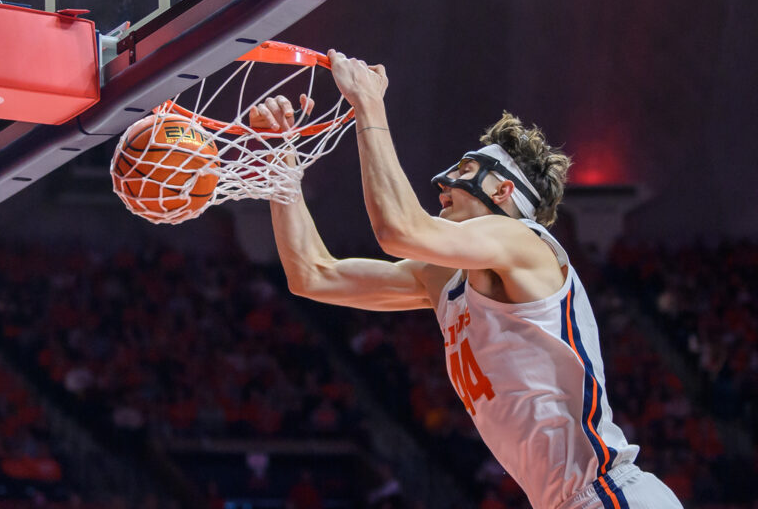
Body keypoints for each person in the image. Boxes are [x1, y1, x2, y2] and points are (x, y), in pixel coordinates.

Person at [250, 50, 684, 509]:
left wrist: (368, 104)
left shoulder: (523, 242)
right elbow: (312, 275)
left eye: (464, 171)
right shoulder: (443, 279)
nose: (444, 182)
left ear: (503, 189)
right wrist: (281, 157)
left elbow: (398, 229)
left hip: (609, 493)